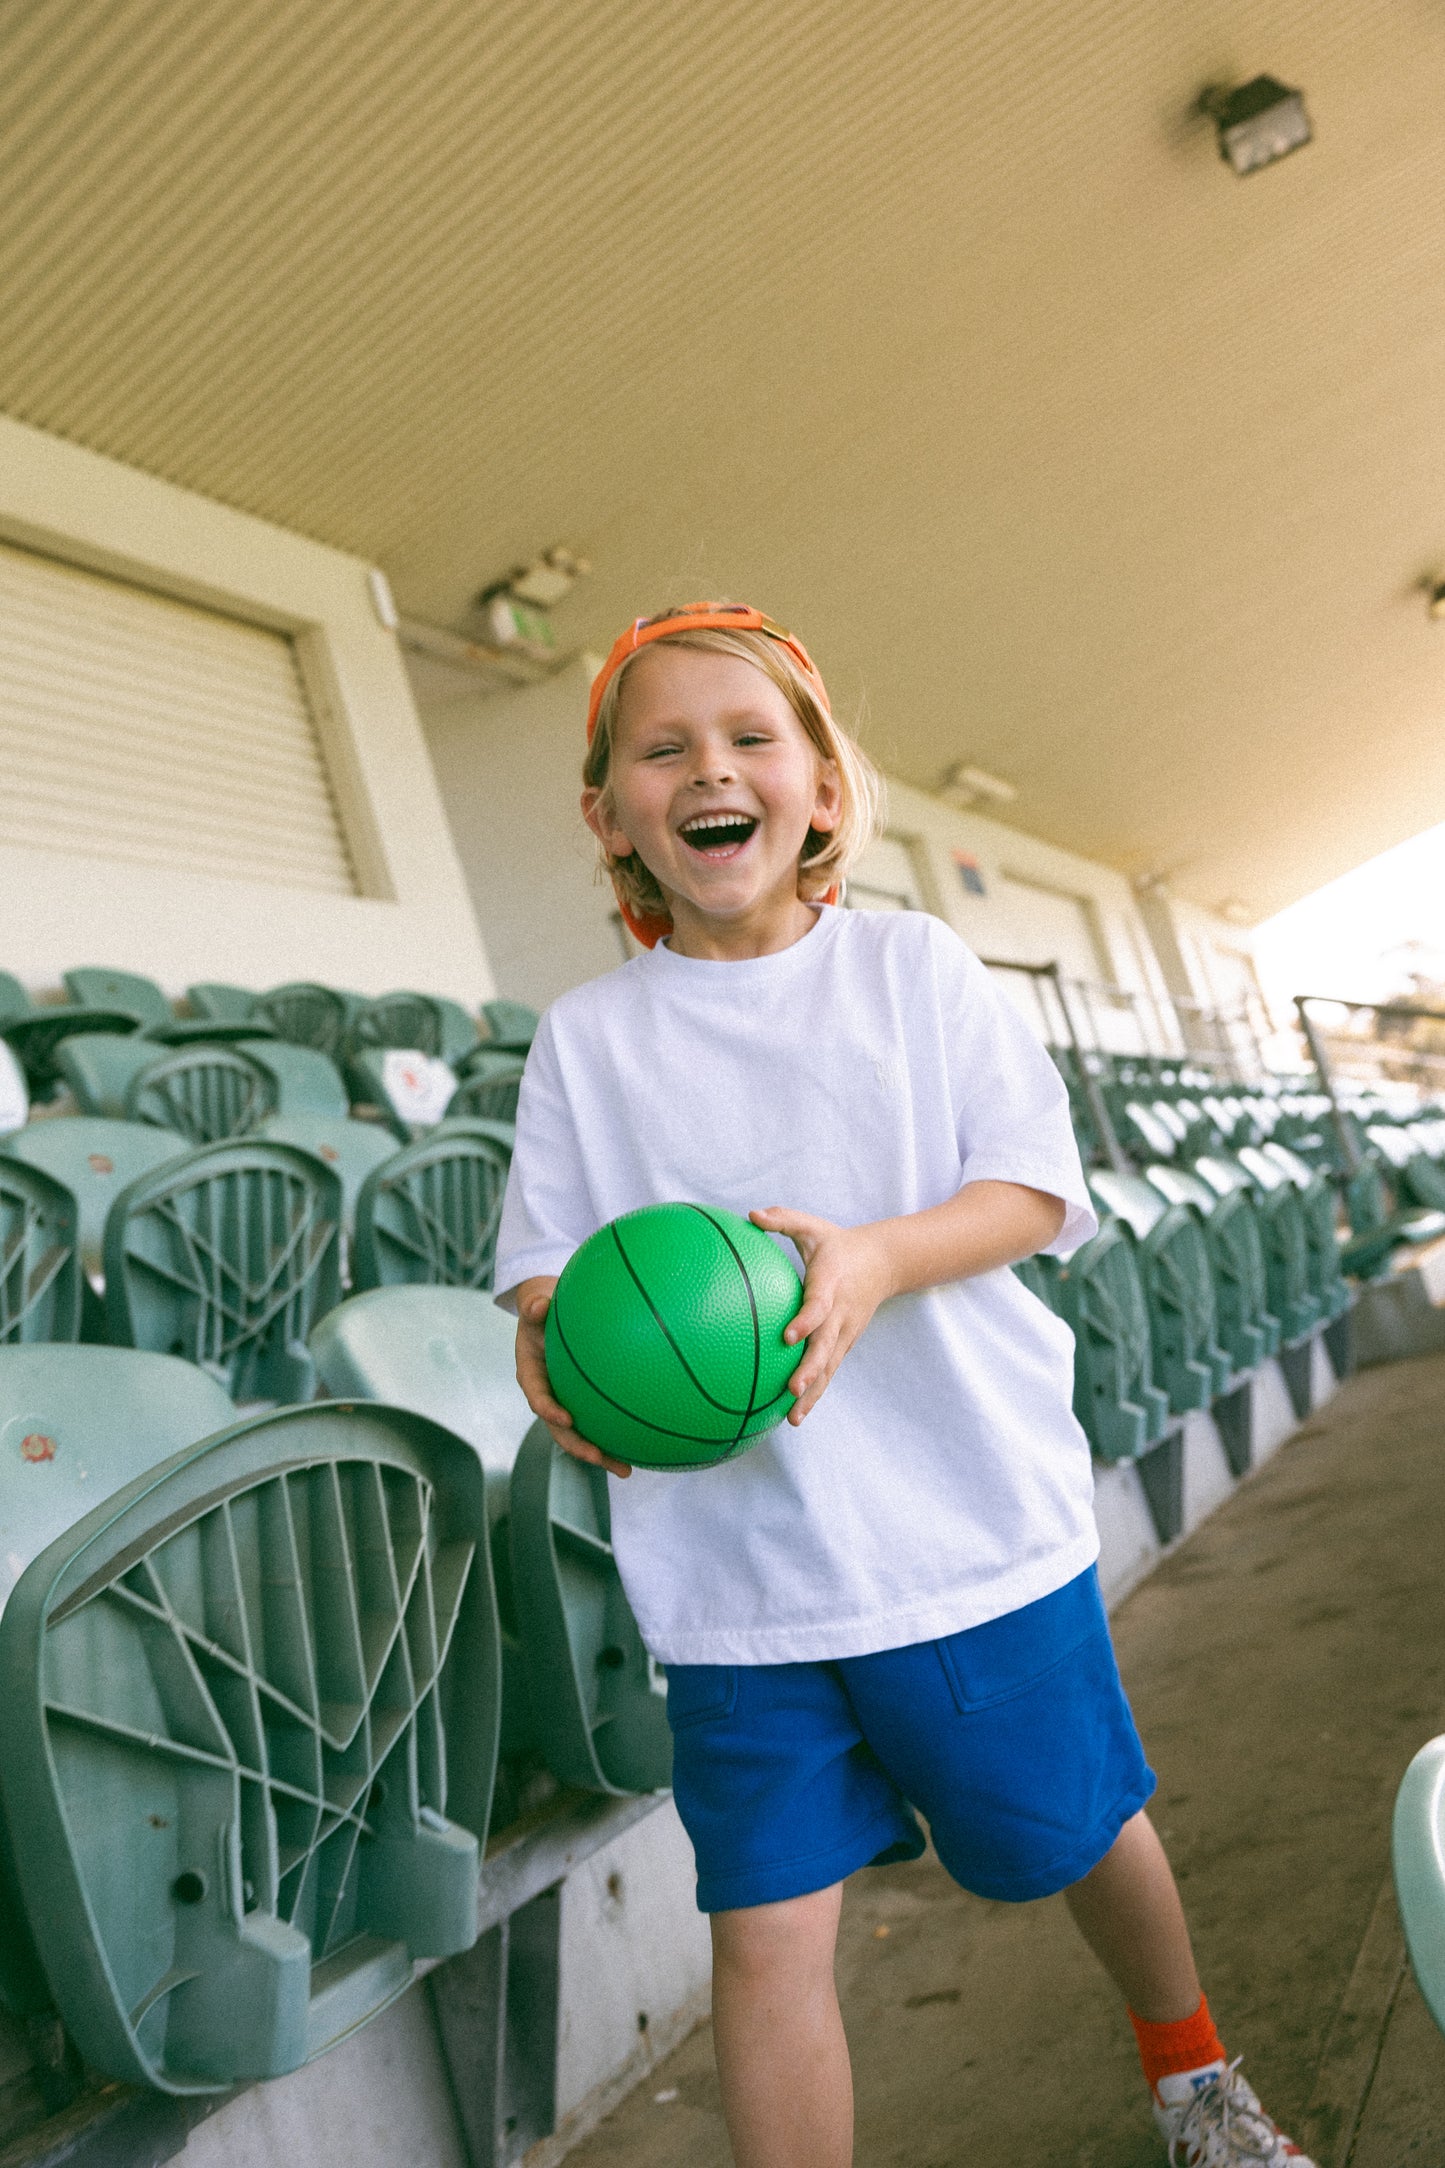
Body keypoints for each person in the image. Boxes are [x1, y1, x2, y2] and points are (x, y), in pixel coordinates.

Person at [494, 601, 1313, 2168]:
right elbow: (545, 1270)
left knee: (1081, 1835)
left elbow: (1029, 1193)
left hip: (959, 1536)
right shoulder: (585, 1042)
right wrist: (556, 1340)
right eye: (659, 750)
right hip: (737, 1581)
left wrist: (868, 1260)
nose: (707, 769)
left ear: (819, 789)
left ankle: (1192, 2073)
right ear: (607, 814)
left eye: (749, 739)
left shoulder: (911, 972)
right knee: (764, 1939)